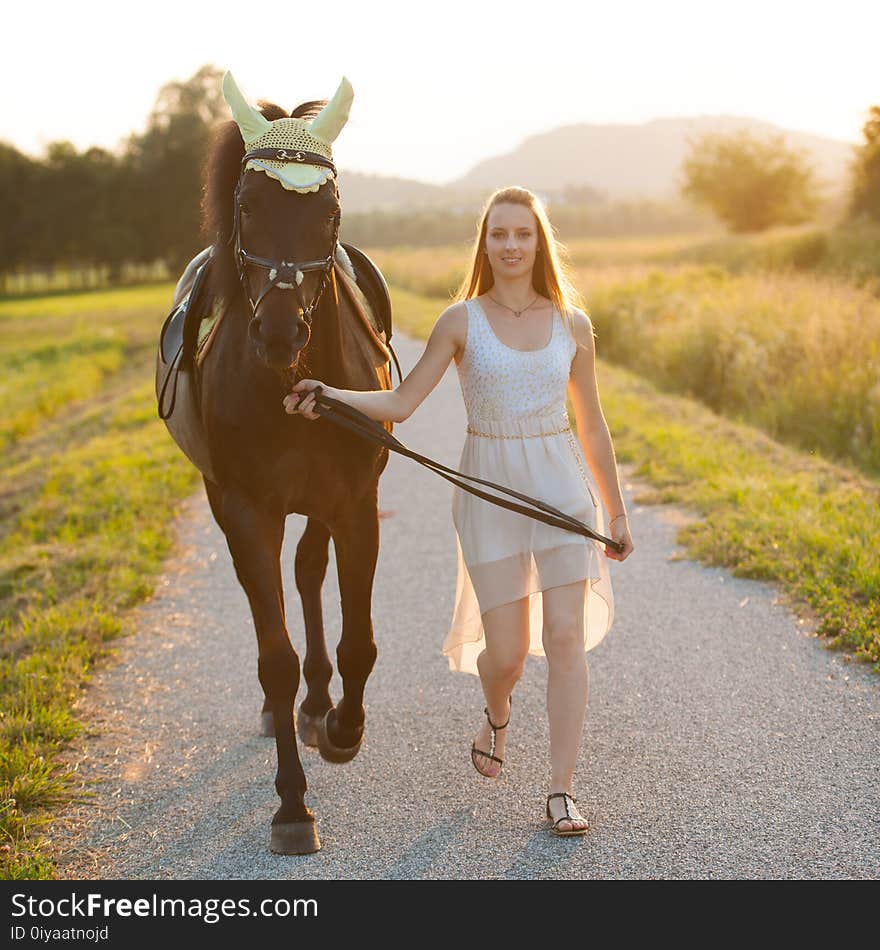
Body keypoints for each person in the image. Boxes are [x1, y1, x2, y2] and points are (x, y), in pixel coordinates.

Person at [284, 186, 634, 836]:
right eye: (498, 233)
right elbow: (402, 402)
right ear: (485, 242)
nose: (510, 245)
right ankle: (497, 713)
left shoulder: (572, 324)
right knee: (502, 654)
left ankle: (561, 790)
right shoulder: (460, 321)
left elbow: (592, 425)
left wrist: (615, 511)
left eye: (522, 234)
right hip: (487, 489)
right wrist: (330, 393)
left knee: (562, 638)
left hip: (560, 488)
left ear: (539, 242)